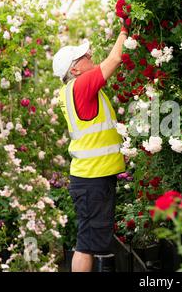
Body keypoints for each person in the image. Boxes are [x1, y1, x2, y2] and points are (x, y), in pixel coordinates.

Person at [53, 25, 128, 272]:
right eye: (84, 57)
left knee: (90, 240)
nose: (90, 57)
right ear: (74, 69)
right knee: (86, 243)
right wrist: (125, 30)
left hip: (93, 176)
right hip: (91, 179)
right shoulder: (82, 85)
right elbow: (115, 58)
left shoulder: (72, 89)